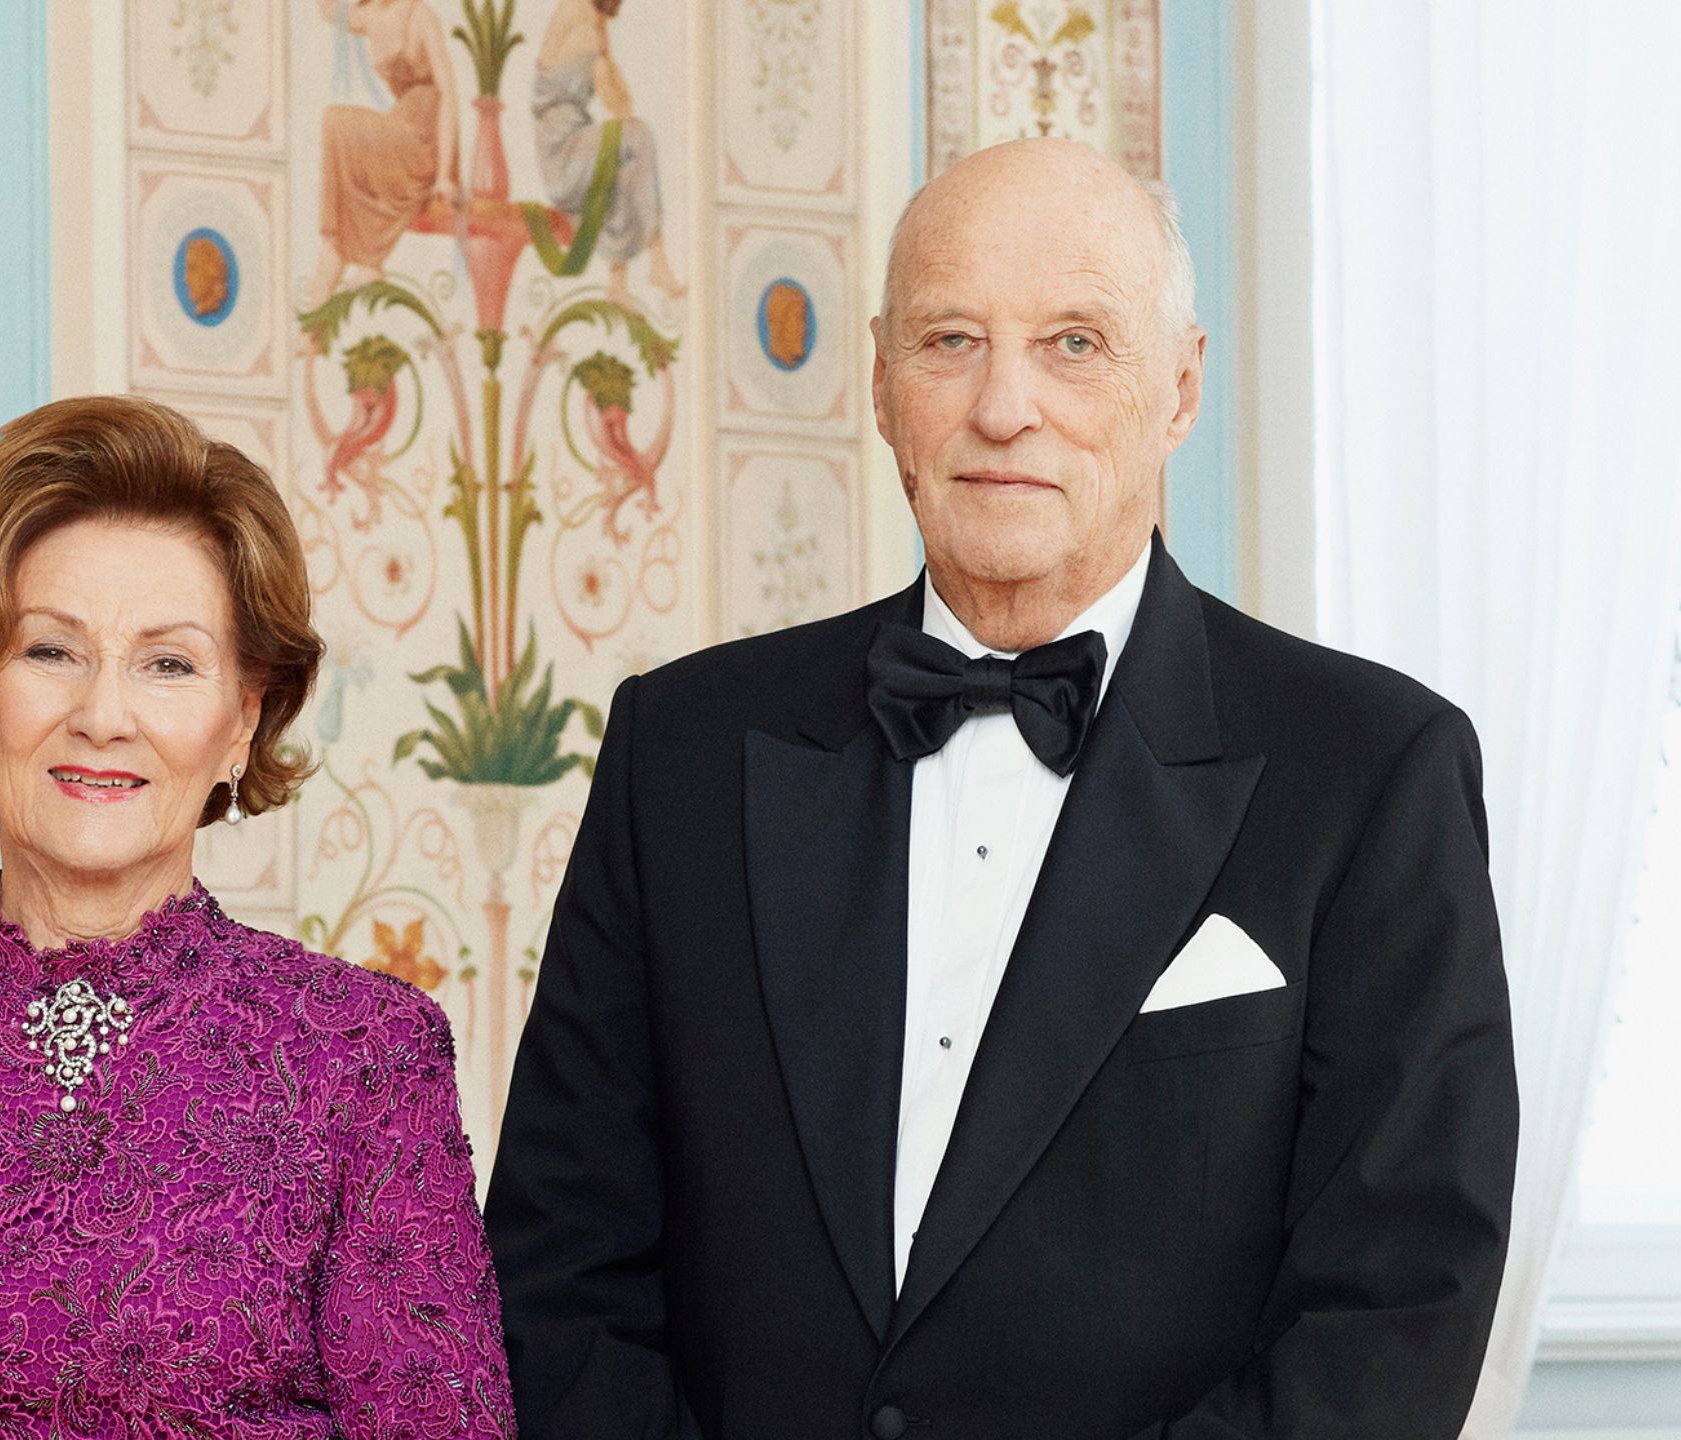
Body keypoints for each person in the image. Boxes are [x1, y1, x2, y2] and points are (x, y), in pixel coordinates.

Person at [485, 138, 1516, 1438]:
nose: (1004, 408)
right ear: (879, 380)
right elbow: (557, 1263)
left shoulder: (1375, 770)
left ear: (1181, 387)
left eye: (1075, 343)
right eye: (951, 340)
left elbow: (1395, 1313)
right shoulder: (680, 747)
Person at [0, 396, 516, 1438]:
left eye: (168, 663)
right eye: (50, 651)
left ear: (242, 719)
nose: (104, 716)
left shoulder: (365, 1055)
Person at [532, 0, 684, 310]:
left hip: (572, 137)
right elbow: (617, 100)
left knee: (625, 155)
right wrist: (622, 106)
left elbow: (616, 93)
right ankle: (657, 258)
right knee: (636, 136)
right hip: (561, 152)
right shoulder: (582, 21)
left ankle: (618, 282)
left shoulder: (592, 19)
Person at [308, 0, 460, 307]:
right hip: (398, 126)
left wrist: (444, 175)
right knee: (337, 129)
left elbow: (448, 94)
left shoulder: (420, 15)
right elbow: (326, 10)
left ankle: (369, 263)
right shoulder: (369, 15)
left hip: (424, 138)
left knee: (337, 122)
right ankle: (314, 324)